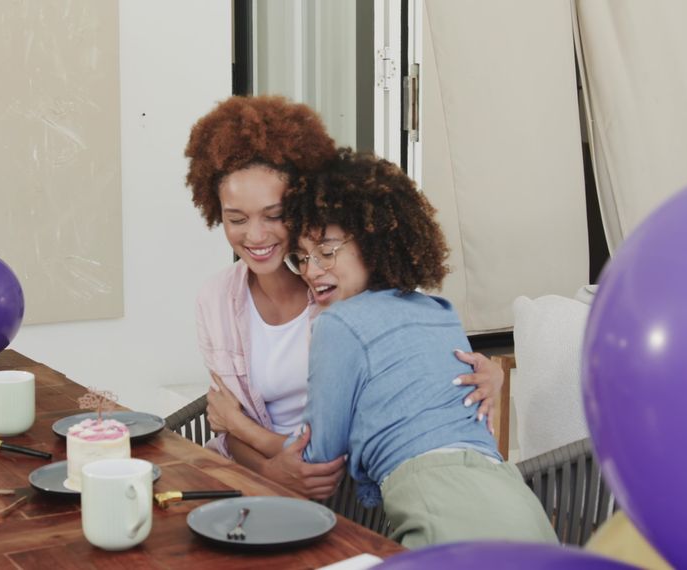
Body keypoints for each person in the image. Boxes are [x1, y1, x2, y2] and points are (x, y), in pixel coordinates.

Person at [184, 96, 505, 499]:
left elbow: (234, 422)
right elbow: (225, 426)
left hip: (348, 490)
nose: (255, 236)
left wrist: (492, 373)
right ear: (216, 211)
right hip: (253, 482)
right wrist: (271, 469)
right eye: (236, 219)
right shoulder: (216, 299)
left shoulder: (349, 292)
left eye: (274, 214)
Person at [283, 148, 558, 547]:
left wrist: (237, 427)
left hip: (442, 514)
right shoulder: (440, 311)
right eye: (302, 257)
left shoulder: (337, 324)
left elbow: (317, 458)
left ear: (374, 241)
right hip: (521, 507)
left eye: (326, 251)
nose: (310, 270)